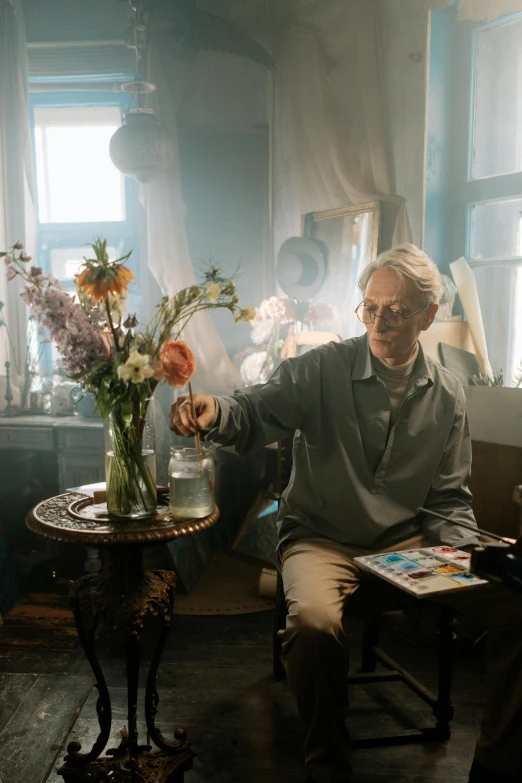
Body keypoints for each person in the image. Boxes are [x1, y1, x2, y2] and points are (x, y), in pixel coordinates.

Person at [170, 243, 522, 783]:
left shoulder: (449, 393)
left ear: (428, 315)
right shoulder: (321, 368)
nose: (380, 322)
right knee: (312, 625)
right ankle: (328, 763)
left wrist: (476, 552)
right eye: (370, 307)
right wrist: (216, 410)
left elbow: (448, 498)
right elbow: (256, 409)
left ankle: (497, 764)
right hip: (321, 538)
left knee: (518, 606)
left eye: (397, 311)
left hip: (409, 542)